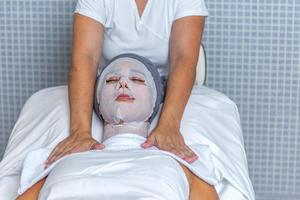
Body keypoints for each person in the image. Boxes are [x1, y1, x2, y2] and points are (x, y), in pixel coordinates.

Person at [17, 54, 219, 200]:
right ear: (95, 100)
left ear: (156, 102)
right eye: (112, 79)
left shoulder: (183, 159)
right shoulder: (58, 157)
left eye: (138, 79)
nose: (122, 83)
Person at [44, 0, 208, 167]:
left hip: (165, 88)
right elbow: (86, 58)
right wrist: (80, 131)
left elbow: (184, 59)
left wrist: (169, 125)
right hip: (108, 87)